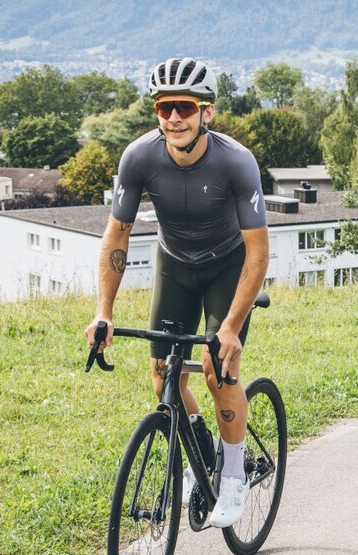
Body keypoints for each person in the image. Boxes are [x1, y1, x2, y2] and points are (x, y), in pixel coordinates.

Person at [85, 57, 270, 528]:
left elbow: (258, 254)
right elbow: (117, 236)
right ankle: (199, 449)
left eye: (184, 107)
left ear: (206, 111)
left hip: (227, 266)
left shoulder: (236, 161)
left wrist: (230, 328)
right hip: (176, 265)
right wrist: (103, 312)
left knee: (217, 369)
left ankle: (233, 474)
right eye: (164, 107)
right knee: (160, 373)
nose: (173, 118)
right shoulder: (139, 157)